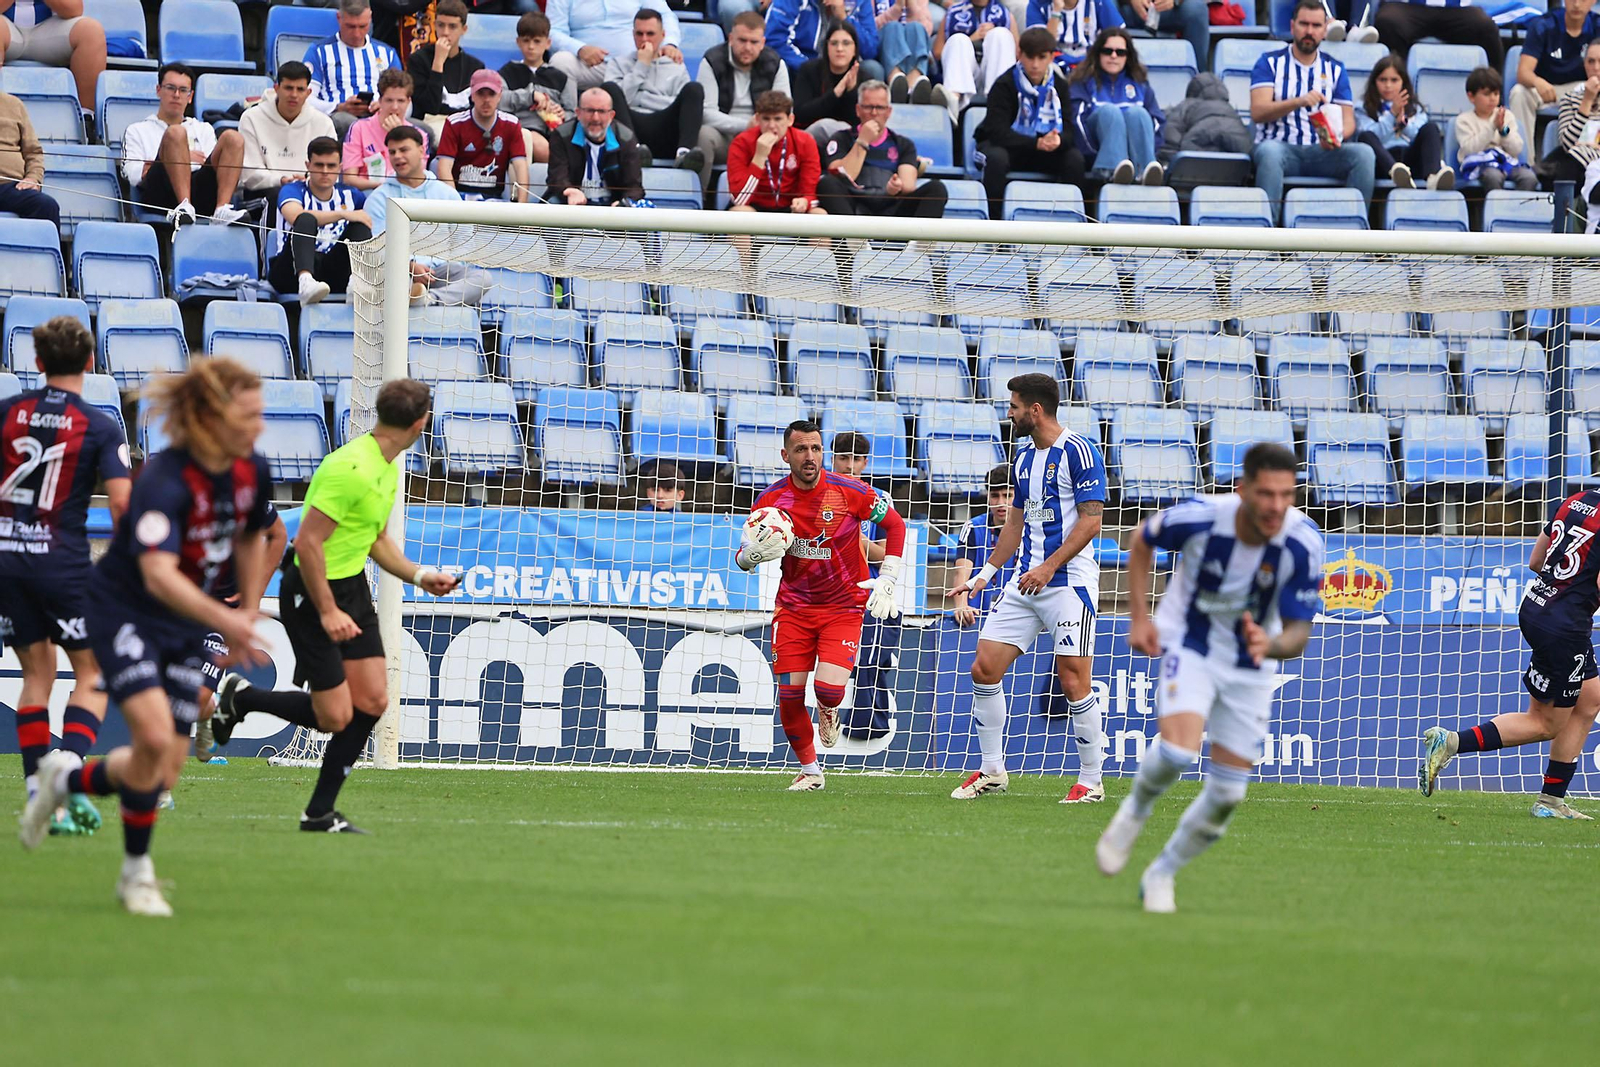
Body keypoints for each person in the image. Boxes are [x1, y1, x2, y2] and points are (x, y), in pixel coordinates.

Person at [20, 358, 274, 917]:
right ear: (213, 415)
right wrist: (227, 619)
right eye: (250, 414)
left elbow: (257, 535)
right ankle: (136, 875)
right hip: (125, 612)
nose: (261, 426)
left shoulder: (253, 468)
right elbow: (157, 575)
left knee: (162, 768)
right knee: (155, 740)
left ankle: (64, 776)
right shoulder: (164, 478)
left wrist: (249, 610)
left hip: (184, 622)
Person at [207, 380, 460, 835]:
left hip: (350, 590)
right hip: (310, 591)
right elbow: (308, 541)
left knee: (373, 700)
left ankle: (319, 813)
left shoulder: (387, 464)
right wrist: (326, 611)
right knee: (334, 717)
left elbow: (376, 538)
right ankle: (242, 699)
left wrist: (421, 576)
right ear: (421, 424)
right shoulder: (350, 468)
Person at [1096, 442, 1325, 913]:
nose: (1277, 506)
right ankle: (1134, 811)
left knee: (1226, 794)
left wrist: (1271, 645)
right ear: (1242, 490)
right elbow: (1142, 539)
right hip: (1191, 642)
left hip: (1252, 661)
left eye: (1287, 495)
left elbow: (1299, 633)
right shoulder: (1200, 517)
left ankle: (1161, 872)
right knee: (1179, 751)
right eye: (1266, 494)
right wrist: (1140, 619)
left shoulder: (1303, 542)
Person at [946, 373, 1107, 805]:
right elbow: (1015, 523)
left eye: (1014, 405)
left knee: (1074, 681)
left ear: (1035, 410)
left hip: (1068, 583)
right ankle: (993, 770)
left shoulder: (1080, 451)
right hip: (1024, 583)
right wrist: (983, 575)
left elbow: (1092, 522)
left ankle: (1091, 780)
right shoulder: (1021, 458)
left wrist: (1049, 567)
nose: (1010, 412)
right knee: (984, 668)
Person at [2, 316, 130, 837]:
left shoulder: (7, 414)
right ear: (91, 363)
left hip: (6, 558)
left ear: (36, 363)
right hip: (63, 563)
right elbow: (122, 505)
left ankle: (40, 794)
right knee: (94, 673)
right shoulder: (100, 426)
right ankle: (68, 765)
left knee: (36, 676)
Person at [735, 419, 908, 791]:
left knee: (828, 691)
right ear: (786, 455)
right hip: (794, 608)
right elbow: (743, 555)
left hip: (843, 606)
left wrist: (889, 576)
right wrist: (751, 556)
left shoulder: (852, 490)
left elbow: (896, 526)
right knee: (790, 694)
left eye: (815, 448)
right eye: (800, 449)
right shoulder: (768, 502)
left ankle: (829, 710)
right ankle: (811, 771)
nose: (809, 456)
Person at [1419, 487, 1600, 819]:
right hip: (1565, 626)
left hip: (1538, 607)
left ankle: (1552, 800)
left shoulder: (1575, 501)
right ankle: (1451, 743)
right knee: (1545, 723)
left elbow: (1536, 561)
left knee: (1589, 700)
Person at [1249, 0, 1374, 226]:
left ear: (1325, 30)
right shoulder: (1269, 62)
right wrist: (1298, 101)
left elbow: (1348, 122)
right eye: (1303, 24)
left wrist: (1336, 137)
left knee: (1363, 154)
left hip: (1322, 151)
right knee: (1269, 152)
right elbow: (1258, 111)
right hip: (1281, 148)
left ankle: (1352, 232)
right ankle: (1267, 235)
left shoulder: (1335, 68)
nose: (1309, 31)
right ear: (1292, 26)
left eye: (1316, 26)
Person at [191, 502, 288, 765]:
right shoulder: (169, 481)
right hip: (177, 603)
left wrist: (253, 598)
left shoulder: (244, 481)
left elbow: (277, 534)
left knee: (196, 696)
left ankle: (208, 710)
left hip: (223, 611)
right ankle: (157, 789)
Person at [364, 125, 491, 307]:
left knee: (482, 278)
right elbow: (377, 246)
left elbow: (463, 243)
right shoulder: (378, 198)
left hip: (440, 272)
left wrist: (436, 269)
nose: (398, 156)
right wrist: (409, 266)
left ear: (421, 150)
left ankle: (430, 299)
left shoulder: (446, 193)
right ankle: (417, 295)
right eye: (392, 152)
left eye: (404, 150)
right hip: (397, 272)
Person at [120, 61, 248, 227]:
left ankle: (221, 210)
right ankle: (184, 206)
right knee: (176, 133)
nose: (176, 94)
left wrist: (177, 157)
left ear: (190, 96)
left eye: (183, 90)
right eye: (170, 88)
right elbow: (132, 173)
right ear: (158, 91)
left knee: (233, 138)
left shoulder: (204, 129)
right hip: (160, 194)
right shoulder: (136, 130)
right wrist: (178, 156)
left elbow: (216, 169)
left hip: (200, 191)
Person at [976, 27, 1084, 220]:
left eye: (1041, 57)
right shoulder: (1004, 84)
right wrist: (1036, 143)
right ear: (1019, 55)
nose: (1035, 65)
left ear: (1051, 57)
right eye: (1030, 57)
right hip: (1009, 149)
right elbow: (996, 132)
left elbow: (1069, 130)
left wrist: (1057, 141)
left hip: (1043, 151)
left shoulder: (1060, 86)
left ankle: (1069, 222)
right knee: (997, 158)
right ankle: (994, 225)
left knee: (1074, 158)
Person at [830, 432, 897, 741]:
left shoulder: (880, 498)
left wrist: (852, 538)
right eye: (843, 457)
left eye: (855, 459)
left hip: (864, 587)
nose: (848, 465)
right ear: (832, 459)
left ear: (865, 462)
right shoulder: (815, 493)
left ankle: (867, 723)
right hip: (823, 587)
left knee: (871, 654)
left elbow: (886, 553)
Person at [816, 80, 949, 217]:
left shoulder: (903, 144)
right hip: (852, 205)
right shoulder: (841, 138)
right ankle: (852, 235)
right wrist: (862, 141)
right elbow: (843, 175)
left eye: (880, 108)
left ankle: (919, 238)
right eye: (868, 107)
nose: (874, 113)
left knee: (936, 189)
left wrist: (895, 187)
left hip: (891, 206)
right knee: (827, 183)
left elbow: (908, 186)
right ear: (858, 110)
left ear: (888, 111)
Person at [600, 9, 708, 176]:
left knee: (694, 89)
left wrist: (642, 97)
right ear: (633, 35)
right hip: (631, 129)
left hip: (665, 128)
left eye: (650, 34)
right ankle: (633, 152)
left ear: (663, 35)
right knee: (609, 90)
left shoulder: (676, 66)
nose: (645, 39)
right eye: (639, 34)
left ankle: (684, 154)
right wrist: (641, 65)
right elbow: (618, 101)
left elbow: (682, 110)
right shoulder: (618, 63)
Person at [270, 136, 373, 306]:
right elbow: (294, 216)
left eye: (331, 166)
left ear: (340, 168)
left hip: (332, 270)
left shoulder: (352, 195)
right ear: (308, 166)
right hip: (290, 270)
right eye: (319, 165)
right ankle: (306, 282)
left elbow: (368, 224)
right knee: (306, 219)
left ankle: (359, 283)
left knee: (360, 225)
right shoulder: (292, 190)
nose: (325, 171)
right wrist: (343, 214)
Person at [727, 89, 826, 254]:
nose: (772, 126)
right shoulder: (742, 142)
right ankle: (744, 278)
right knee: (738, 215)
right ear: (757, 119)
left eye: (778, 119)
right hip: (754, 208)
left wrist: (804, 202)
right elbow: (739, 199)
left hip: (791, 210)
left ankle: (809, 278)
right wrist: (759, 157)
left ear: (790, 120)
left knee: (820, 216)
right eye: (766, 119)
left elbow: (810, 193)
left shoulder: (805, 141)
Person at [1068, 27, 1164, 185]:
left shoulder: (1141, 85)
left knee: (1138, 113)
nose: (1113, 56)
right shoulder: (1082, 82)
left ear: (1128, 56)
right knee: (1110, 112)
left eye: (1120, 52)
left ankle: (1145, 172)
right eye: (1107, 51)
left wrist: (1149, 150)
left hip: (1136, 159)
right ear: (1098, 53)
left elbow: (1157, 123)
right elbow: (1077, 123)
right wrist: (1095, 154)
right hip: (1097, 156)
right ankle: (1111, 169)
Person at [696, 11, 792, 168]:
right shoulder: (712, 61)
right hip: (724, 136)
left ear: (762, 43)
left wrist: (761, 128)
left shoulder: (775, 64)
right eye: (742, 40)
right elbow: (706, 114)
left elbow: (786, 111)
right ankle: (701, 192)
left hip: (764, 136)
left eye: (754, 42)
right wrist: (746, 125)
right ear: (731, 39)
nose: (747, 47)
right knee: (704, 135)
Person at [306, 0, 404, 139]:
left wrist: (386, 106)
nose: (357, 34)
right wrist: (338, 107)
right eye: (350, 27)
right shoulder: (319, 51)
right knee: (348, 123)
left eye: (362, 26)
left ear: (370, 17)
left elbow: (405, 98)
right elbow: (305, 99)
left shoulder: (386, 53)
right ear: (339, 19)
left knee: (424, 131)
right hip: (338, 118)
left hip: (380, 117)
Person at [1512, 0, 1598, 155]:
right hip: (1546, 88)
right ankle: (1523, 162)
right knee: (1519, 93)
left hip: (1582, 88)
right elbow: (1523, 72)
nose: (1577, 4)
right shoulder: (1544, 24)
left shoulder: (1597, 26)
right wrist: (1537, 81)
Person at [240, 61, 339, 195]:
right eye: (288, 88)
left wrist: (308, 181)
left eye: (300, 89)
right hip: (265, 193)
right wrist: (281, 180)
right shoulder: (251, 118)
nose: (294, 95)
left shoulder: (324, 122)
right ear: (276, 89)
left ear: (308, 92)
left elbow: (332, 171)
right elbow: (249, 174)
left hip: (311, 192)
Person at [1354, 54, 1450, 190]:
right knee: (1365, 136)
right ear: (1374, 82)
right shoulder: (1363, 107)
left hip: (1410, 159)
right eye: (1383, 80)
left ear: (1403, 82)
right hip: (1383, 162)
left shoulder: (1415, 108)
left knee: (1431, 128)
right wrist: (1391, 115)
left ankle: (1433, 177)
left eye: (1394, 80)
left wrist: (1403, 125)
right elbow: (1372, 136)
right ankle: (1396, 174)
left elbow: (1420, 137)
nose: (1388, 85)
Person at [548, 0, 685, 92]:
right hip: (590, 66)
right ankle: (568, 124)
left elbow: (665, 16)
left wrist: (669, 43)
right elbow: (552, 31)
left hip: (634, 63)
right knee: (560, 62)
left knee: (672, 63)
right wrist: (580, 49)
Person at [437, 69, 531, 200]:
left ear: (499, 96)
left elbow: (520, 166)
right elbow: (444, 168)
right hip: (460, 195)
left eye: (491, 94)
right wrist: (455, 205)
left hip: (494, 199)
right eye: (480, 93)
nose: (486, 100)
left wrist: (522, 207)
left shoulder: (512, 124)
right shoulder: (454, 123)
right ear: (472, 95)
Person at [545, 86, 648, 205]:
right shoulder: (562, 135)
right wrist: (569, 191)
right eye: (589, 110)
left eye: (602, 111)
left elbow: (634, 187)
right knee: (552, 203)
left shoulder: (626, 138)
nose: (595, 118)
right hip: (572, 203)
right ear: (578, 113)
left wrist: (622, 204)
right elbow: (556, 178)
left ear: (611, 115)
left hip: (611, 206)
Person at [0, 1, 106, 111]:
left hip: (46, 31)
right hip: (6, 28)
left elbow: (74, 9)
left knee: (91, 31)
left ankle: (86, 118)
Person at [341, 67, 433, 191]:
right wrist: (385, 186)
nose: (395, 107)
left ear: (408, 102)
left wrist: (401, 135)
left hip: (406, 193)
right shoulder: (359, 128)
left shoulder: (420, 135)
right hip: (370, 191)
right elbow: (349, 179)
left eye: (400, 101)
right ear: (380, 101)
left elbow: (417, 180)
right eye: (389, 100)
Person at [500, 10, 575, 156]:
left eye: (537, 41)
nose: (531, 46)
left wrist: (563, 114)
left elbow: (573, 112)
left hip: (554, 134)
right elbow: (498, 100)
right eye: (526, 40)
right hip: (517, 130)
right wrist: (531, 96)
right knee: (537, 144)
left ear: (548, 43)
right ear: (518, 42)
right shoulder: (507, 72)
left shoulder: (562, 78)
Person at [950, 463, 1014, 629]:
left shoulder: (1031, 529)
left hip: (1018, 616)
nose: (1001, 503)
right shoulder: (972, 527)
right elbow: (961, 570)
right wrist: (961, 605)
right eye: (995, 496)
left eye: (1008, 495)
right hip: (977, 617)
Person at [1455, 67, 1537, 192]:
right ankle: (1496, 211)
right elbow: (1469, 149)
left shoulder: (1506, 116)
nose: (1492, 98)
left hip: (1506, 163)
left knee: (1529, 177)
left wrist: (1502, 130)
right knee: (1493, 176)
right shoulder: (1464, 120)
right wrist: (1492, 127)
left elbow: (1517, 148)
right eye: (1487, 94)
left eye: (1496, 93)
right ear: (1471, 97)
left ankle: (1519, 210)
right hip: (1480, 165)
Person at [937, 0, 1017, 117]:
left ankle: (1000, 103)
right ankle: (952, 102)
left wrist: (991, 36)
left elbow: (1018, 55)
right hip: (964, 73)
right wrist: (971, 39)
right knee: (959, 39)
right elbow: (938, 51)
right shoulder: (953, 12)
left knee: (1000, 34)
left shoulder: (1005, 14)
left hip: (992, 74)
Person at [407, 0, 484, 122]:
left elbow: (478, 110)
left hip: (465, 125)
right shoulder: (418, 60)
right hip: (430, 123)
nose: (445, 32)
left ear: (463, 29)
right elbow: (429, 107)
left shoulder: (475, 66)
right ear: (435, 25)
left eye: (452, 26)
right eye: (441, 25)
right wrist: (438, 63)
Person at [1372, 0, 1503, 70]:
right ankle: (1399, 89)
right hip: (1407, 6)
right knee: (1387, 21)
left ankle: (1493, 91)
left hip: (1455, 9)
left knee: (1486, 27)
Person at [767, 0, 883, 79]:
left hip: (845, 66)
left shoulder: (859, 2)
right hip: (802, 66)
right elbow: (775, 41)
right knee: (779, 66)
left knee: (873, 69)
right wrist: (811, 67)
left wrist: (844, 18)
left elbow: (870, 50)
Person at [793, 20, 866, 145]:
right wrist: (836, 93)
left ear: (855, 49)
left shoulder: (864, 77)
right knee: (824, 126)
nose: (839, 49)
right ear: (826, 47)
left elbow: (858, 123)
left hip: (848, 144)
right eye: (834, 43)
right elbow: (800, 114)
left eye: (846, 43)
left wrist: (851, 91)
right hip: (810, 139)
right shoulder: (809, 70)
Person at [1157, 71, 1252, 164]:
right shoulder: (1231, 109)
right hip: (1236, 158)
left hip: (1194, 160)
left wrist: (1167, 166)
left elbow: (1170, 141)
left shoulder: (1186, 105)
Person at [0, 86, 59, 226]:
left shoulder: (14, 105)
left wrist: (33, 178)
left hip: (9, 187)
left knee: (47, 206)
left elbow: (33, 153)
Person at [1550, 38, 1600, 188]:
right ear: (1584, 65)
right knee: (1569, 164)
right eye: (1590, 62)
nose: (1596, 67)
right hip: (1577, 165)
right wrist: (1587, 100)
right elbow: (1568, 144)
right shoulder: (1570, 99)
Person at [1115, 0, 1205, 83]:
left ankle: (1199, 86)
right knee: (1106, 6)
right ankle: (1108, 85)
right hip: (1122, 8)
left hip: (1164, 9)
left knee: (1197, 10)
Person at [874, 0, 941, 106]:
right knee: (893, 27)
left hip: (912, 49)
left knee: (917, 28)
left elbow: (926, 30)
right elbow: (870, 27)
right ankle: (895, 83)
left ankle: (912, 87)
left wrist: (912, 6)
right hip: (882, 44)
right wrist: (895, 10)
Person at [1027, 0, 1121, 69]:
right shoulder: (1037, 3)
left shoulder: (1099, 2)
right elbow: (1040, 47)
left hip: (1092, 62)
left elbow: (1119, 38)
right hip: (1053, 64)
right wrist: (1056, 12)